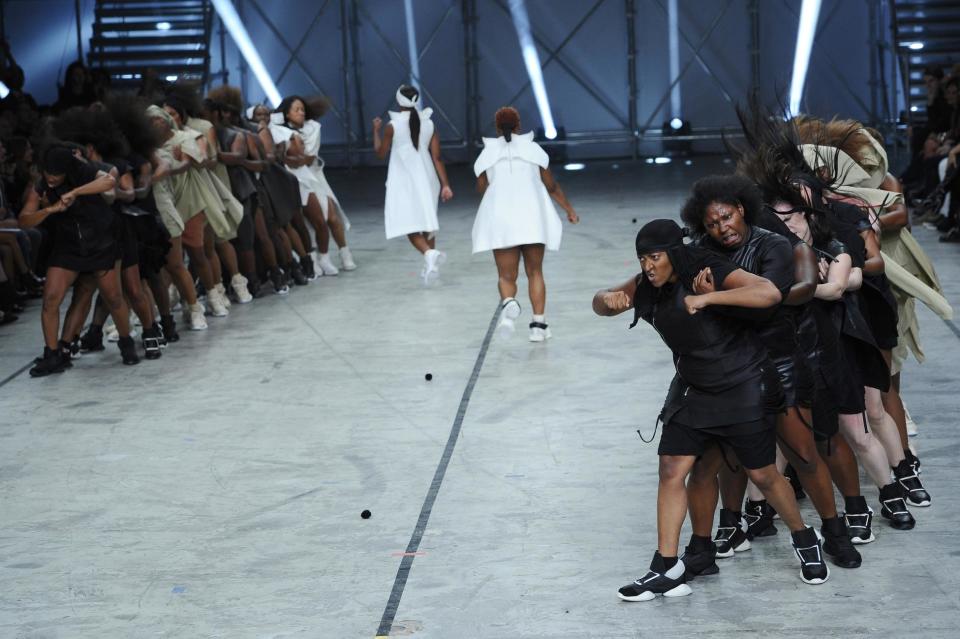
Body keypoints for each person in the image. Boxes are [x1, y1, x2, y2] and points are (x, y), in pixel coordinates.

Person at [593, 219, 828, 602]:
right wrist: (607, 300)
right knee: (676, 468)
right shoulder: (647, 285)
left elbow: (768, 293)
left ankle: (805, 537)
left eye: (655, 257)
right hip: (693, 387)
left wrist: (709, 298)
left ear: (675, 252)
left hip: (742, 382)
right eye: (642, 259)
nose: (648, 266)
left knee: (764, 475)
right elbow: (601, 302)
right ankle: (666, 564)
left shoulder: (707, 268)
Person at [680, 175, 861, 569]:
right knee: (726, 456)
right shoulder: (702, 252)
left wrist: (712, 300)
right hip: (729, 369)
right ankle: (725, 530)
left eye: (726, 217)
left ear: (741, 209)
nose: (721, 228)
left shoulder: (774, 244)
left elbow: (768, 301)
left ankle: (833, 531)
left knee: (804, 455)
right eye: (712, 223)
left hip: (779, 364)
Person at [19, 145, 139, 375]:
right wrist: (49, 210)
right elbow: (24, 220)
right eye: (48, 172)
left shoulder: (85, 171)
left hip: (100, 240)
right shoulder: (41, 184)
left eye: (57, 173)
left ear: (68, 169)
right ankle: (53, 354)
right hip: (68, 244)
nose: (52, 177)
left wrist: (75, 192)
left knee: (113, 297)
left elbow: (108, 182)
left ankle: (126, 342)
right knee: (51, 298)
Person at [472, 107, 579, 341]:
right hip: (532, 219)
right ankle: (538, 327)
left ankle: (509, 307)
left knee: (506, 276)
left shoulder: (487, 154)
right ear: (518, 125)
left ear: (497, 127)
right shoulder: (533, 150)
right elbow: (551, 186)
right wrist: (569, 210)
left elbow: (481, 189)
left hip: (502, 221)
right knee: (535, 272)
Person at [372, 85, 453, 285]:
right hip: (427, 175)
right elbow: (437, 157)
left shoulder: (393, 125)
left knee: (408, 221)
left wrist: (375, 131)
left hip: (404, 176)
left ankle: (428, 253)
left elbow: (380, 153)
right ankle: (431, 265)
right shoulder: (428, 123)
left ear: (399, 101)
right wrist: (445, 184)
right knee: (427, 221)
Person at [272, 95, 354, 276]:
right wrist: (289, 157)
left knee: (329, 216)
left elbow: (307, 157)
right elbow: (282, 157)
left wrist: (292, 156)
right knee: (298, 222)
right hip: (288, 178)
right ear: (286, 113)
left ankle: (336, 254)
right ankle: (309, 258)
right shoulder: (276, 130)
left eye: (303, 109)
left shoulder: (313, 128)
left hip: (313, 175)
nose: (301, 113)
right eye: (297, 110)